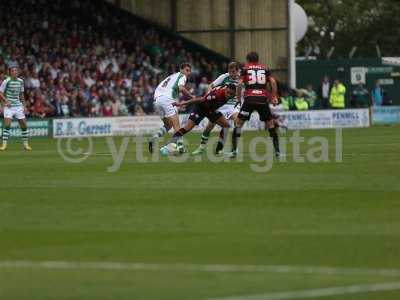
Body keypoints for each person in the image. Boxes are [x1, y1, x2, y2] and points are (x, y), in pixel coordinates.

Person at [230, 51, 280, 158]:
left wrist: (238, 98)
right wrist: (274, 97)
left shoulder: (245, 69)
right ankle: (277, 151)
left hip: (249, 99)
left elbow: (239, 84)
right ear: (258, 59)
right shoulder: (265, 69)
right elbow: (273, 82)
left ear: (248, 59)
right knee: (270, 125)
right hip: (262, 99)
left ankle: (234, 150)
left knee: (238, 124)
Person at [161, 84, 237, 154]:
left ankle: (218, 150)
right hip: (200, 108)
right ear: (226, 89)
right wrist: (182, 103)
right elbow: (200, 99)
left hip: (211, 110)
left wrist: (239, 99)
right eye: (228, 93)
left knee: (226, 126)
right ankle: (167, 146)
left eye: (231, 94)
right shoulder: (216, 95)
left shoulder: (232, 94)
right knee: (187, 127)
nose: (229, 95)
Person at [191, 62, 241, 156]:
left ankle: (233, 149)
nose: (231, 74)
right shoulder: (224, 77)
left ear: (237, 71)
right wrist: (208, 95)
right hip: (221, 105)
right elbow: (211, 85)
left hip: (233, 106)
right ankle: (201, 148)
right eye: (230, 72)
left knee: (237, 123)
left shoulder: (242, 79)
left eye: (233, 71)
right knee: (209, 126)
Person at [148, 62, 194, 153]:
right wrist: (192, 97)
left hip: (157, 101)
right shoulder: (182, 76)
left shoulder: (171, 76)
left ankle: (154, 137)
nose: (188, 73)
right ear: (181, 70)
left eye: (189, 71)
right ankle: (181, 148)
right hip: (167, 100)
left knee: (168, 125)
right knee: (177, 126)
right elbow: (181, 88)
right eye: (187, 70)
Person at [0, 65, 32, 151]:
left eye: (16, 71)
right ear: (10, 72)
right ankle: (4, 145)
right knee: (7, 125)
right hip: (9, 107)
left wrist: (24, 106)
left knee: (24, 125)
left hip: (18, 106)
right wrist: (6, 101)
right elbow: (0, 93)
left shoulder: (21, 81)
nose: (14, 72)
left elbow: (21, 94)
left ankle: (25, 145)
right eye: (13, 71)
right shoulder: (6, 81)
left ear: (18, 72)